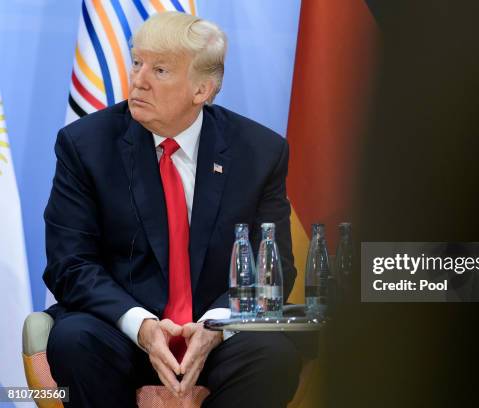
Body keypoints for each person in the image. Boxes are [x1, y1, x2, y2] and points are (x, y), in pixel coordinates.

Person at [43, 11, 301, 407]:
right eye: (137, 63)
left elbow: (276, 266)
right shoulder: (85, 146)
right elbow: (70, 264)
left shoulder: (259, 152)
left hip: (216, 337)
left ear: (202, 90)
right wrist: (142, 326)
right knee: (74, 340)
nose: (139, 80)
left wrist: (215, 326)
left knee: (274, 355)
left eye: (159, 70)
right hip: (122, 332)